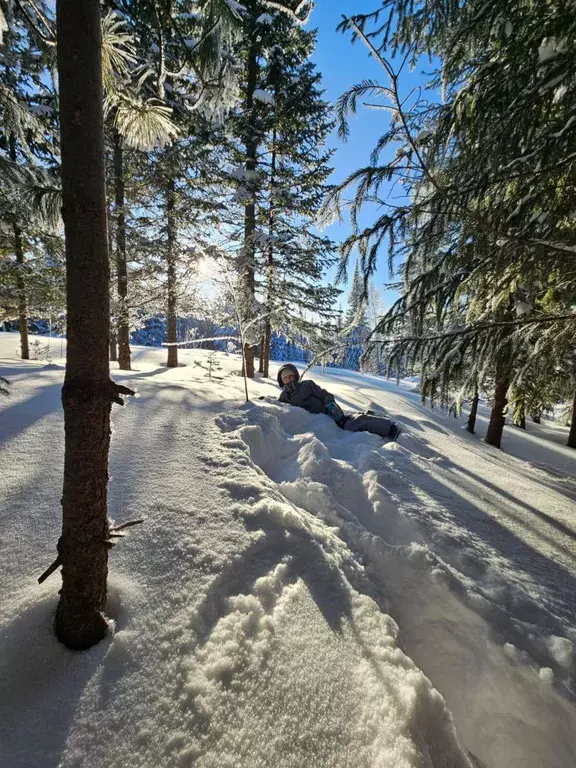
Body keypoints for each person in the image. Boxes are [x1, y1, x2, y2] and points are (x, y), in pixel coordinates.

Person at [276, 363, 401, 440]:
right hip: (316, 423)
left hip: (329, 413)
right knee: (352, 422)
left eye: (291, 376)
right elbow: (275, 405)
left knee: (355, 423)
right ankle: (371, 416)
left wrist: (330, 403)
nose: (289, 379)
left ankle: (389, 428)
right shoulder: (284, 396)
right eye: (285, 378)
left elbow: (325, 394)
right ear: (282, 381)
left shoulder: (307, 385)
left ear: (296, 376)